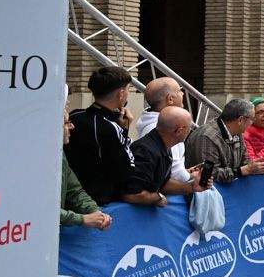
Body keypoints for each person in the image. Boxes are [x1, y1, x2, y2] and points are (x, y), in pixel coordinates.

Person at [65, 66, 141, 206]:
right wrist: (123, 129)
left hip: (70, 195)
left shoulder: (74, 116)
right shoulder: (109, 126)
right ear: (121, 93)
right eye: (128, 90)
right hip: (100, 201)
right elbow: (126, 170)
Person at [184, 98, 264, 183]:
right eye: (252, 119)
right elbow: (208, 173)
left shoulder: (237, 132)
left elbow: (244, 161)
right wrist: (242, 171)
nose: (252, 123)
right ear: (240, 120)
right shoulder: (207, 137)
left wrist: (260, 166)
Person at [129, 107, 203, 204]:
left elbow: (163, 183)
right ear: (178, 131)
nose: (190, 131)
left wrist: (193, 186)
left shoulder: (163, 146)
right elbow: (133, 194)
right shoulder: (145, 150)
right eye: (190, 127)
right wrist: (158, 198)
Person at [133, 76, 192, 188]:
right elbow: (173, 173)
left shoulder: (154, 122)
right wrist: (193, 180)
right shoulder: (163, 128)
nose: (183, 94)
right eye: (179, 90)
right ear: (170, 99)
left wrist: (188, 173)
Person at [61, 108, 112, 231]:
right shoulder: (36, 162)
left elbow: (75, 191)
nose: (72, 126)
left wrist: (95, 212)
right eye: (66, 123)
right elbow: (42, 209)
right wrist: (82, 219)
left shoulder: (60, 155)